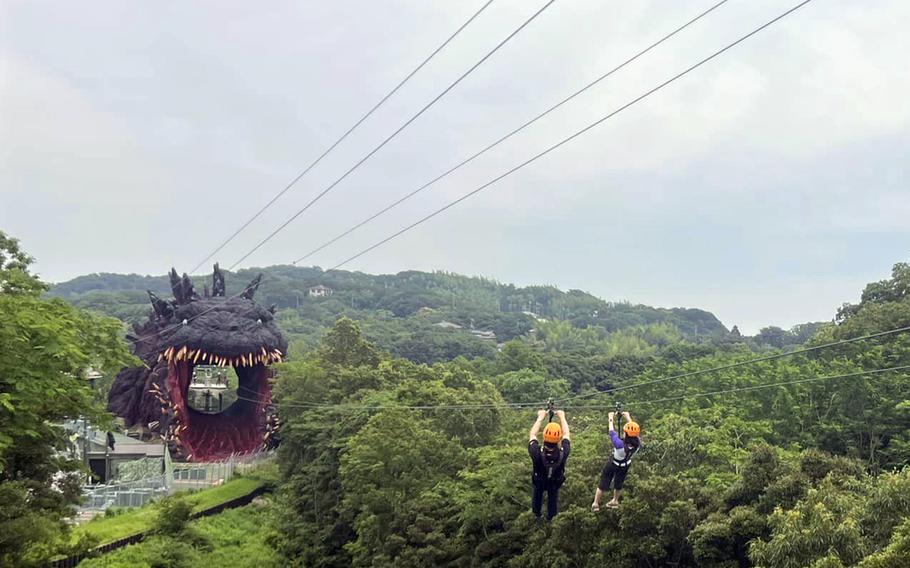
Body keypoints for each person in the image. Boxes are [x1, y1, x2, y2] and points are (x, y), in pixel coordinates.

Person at [592, 410, 640, 511]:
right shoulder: (637, 443)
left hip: (614, 463)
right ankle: (615, 500)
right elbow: (634, 432)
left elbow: (611, 432)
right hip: (625, 465)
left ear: (626, 433)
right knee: (619, 483)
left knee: (604, 481)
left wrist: (610, 418)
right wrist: (628, 417)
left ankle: (596, 503)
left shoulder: (619, 445)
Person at [528, 408, 570, 520]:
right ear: (558, 438)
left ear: (544, 437)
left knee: (537, 496)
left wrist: (540, 418)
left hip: (539, 481)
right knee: (553, 497)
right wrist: (562, 417)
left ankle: (537, 514)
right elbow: (566, 434)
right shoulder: (563, 452)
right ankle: (551, 517)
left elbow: (532, 434)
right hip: (554, 482)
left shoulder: (536, 452)